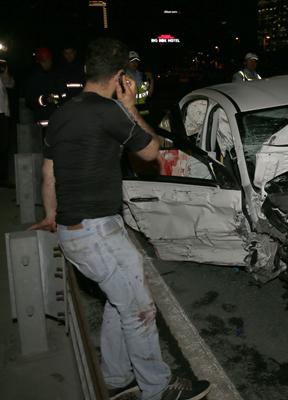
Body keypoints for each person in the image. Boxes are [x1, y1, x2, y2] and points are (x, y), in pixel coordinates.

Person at [29, 37, 211, 400]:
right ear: (119, 76)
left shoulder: (63, 113)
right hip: (96, 232)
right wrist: (129, 105)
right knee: (139, 309)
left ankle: (117, 376)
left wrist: (51, 215)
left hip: (78, 229)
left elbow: (48, 173)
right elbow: (150, 149)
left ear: (85, 71)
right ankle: (156, 389)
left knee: (121, 299)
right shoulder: (110, 111)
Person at [26, 47, 59, 125]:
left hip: (55, 118)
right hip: (42, 121)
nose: (50, 63)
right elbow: (29, 101)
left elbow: (57, 94)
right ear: (42, 62)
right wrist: (44, 100)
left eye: (50, 60)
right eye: (48, 61)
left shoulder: (54, 75)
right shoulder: (33, 78)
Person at [125, 50, 154, 116]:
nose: (135, 63)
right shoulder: (122, 76)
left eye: (136, 61)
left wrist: (151, 80)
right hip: (129, 112)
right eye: (132, 61)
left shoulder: (143, 76)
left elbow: (149, 94)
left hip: (143, 111)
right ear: (126, 62)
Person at [0, 57, 15, 185]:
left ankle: (3, 178)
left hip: (3, 113)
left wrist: (4, 71)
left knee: (4, 145)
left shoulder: (2, 66)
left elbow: (10, 84)